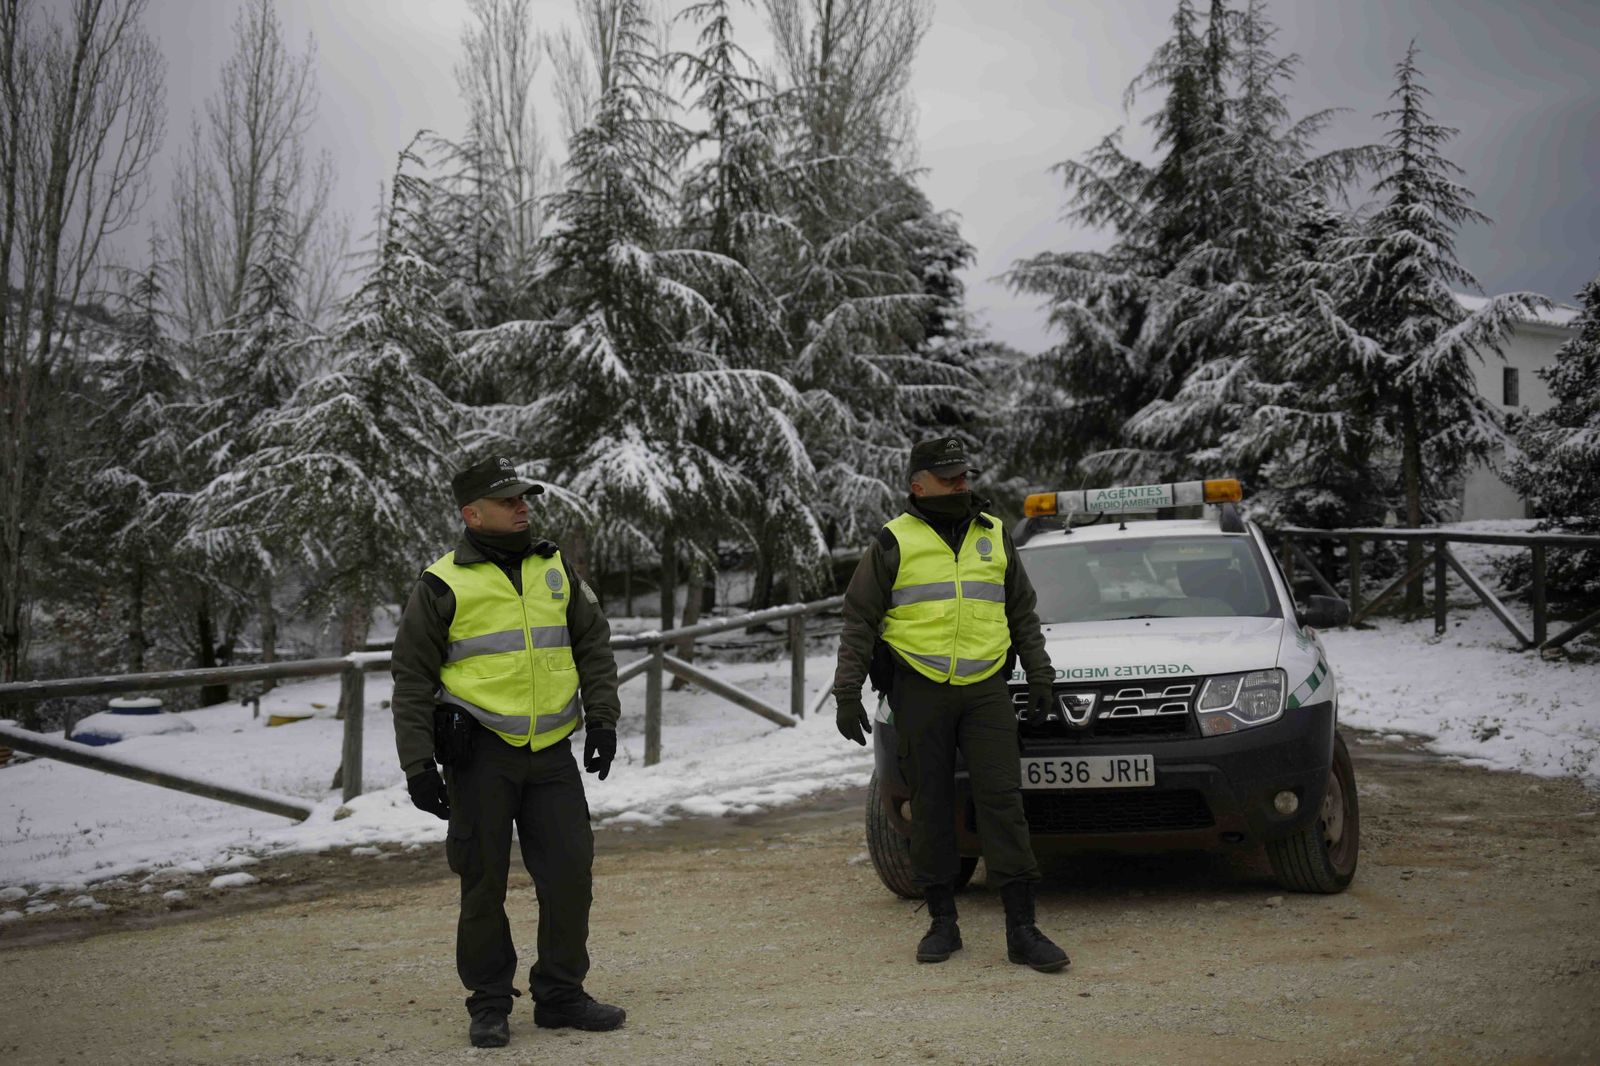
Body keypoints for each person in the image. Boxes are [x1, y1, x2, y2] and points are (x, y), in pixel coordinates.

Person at [391, 456, 625, 1048]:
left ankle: (561, 995)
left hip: (551, 754)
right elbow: (412, 679)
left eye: (524, 498)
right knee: (483, 884)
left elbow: (593, 644)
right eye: (508, 500)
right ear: (472, 514)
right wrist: (418, 765)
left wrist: (602, 719)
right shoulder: (441, 583)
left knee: (570, 875)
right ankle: (490, 1003)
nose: (523, 507)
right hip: (479, 757)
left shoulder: (555, 567)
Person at [833, 437, 1069, 973]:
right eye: (948, 477)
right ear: (918, 485)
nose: (961, 482)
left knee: (1003, 802)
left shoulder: (994, 534)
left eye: (963, 473)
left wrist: (1040, 674)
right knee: (931, 805)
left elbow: (1021, 612)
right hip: (919, 687)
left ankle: (1023, 930)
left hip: (986, 688)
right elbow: (859, 619)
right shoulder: (893, 541)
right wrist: (847, 692)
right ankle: (942, 921)